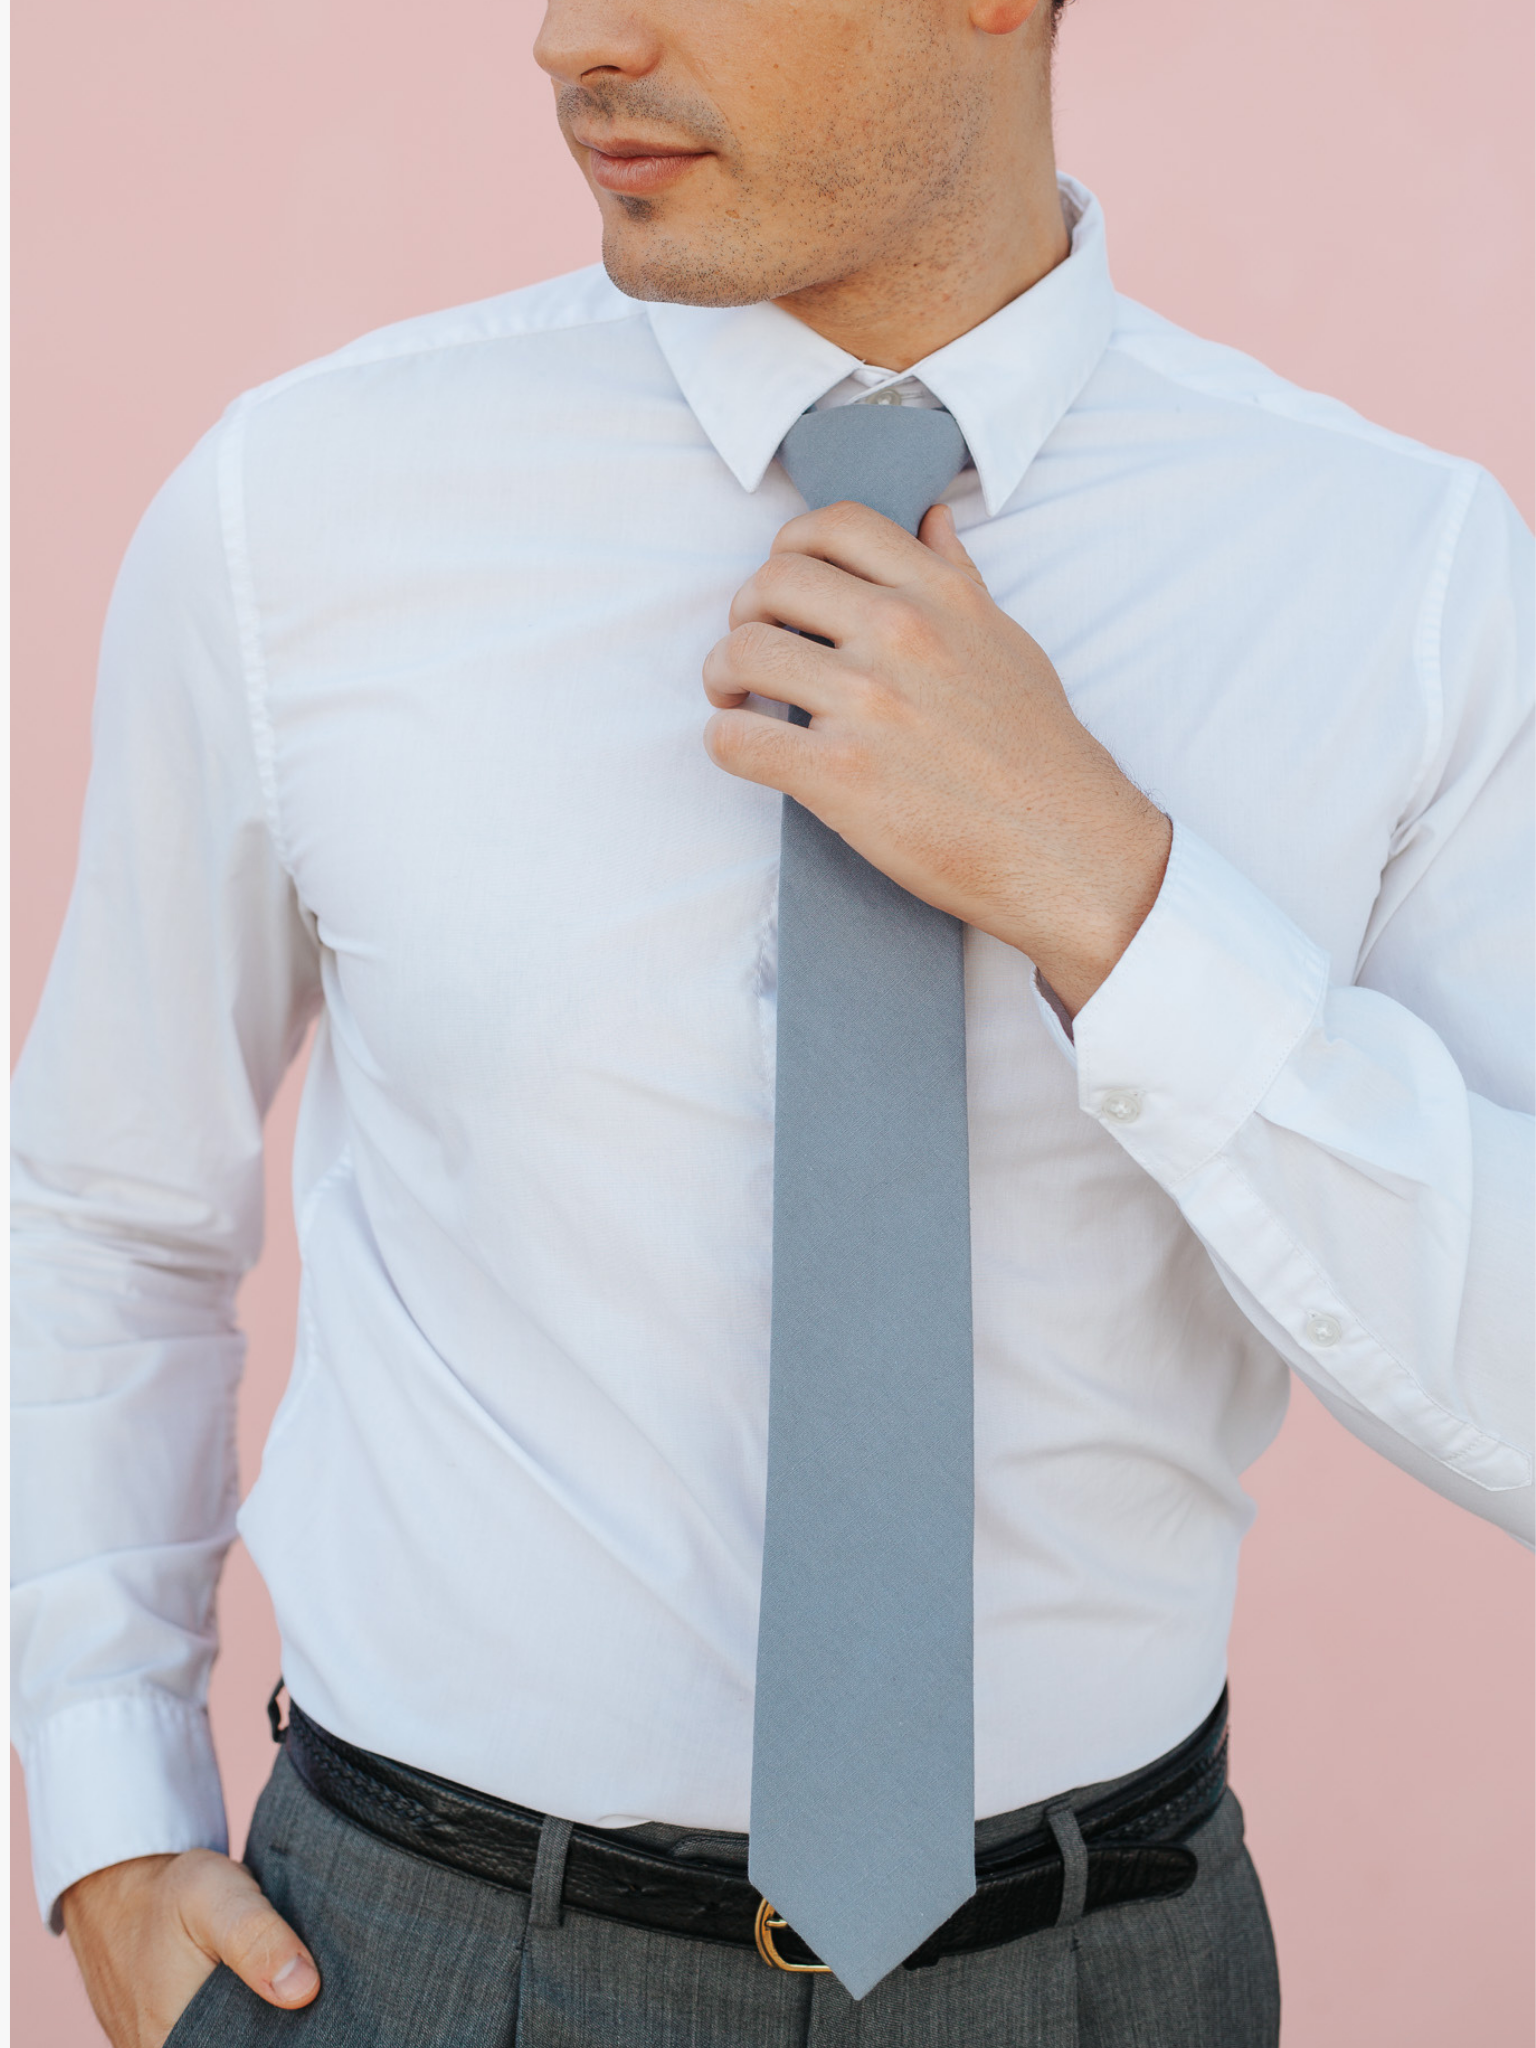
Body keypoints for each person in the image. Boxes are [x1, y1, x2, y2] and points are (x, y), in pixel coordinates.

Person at [12, 0, 1532, 2037]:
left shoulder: (1396, 578)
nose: (573, 39)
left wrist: (1114, 894)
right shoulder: (302, 508)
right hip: (417, 1959)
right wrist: (105, 1806)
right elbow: (106, 1200)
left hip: (1110, 1974)